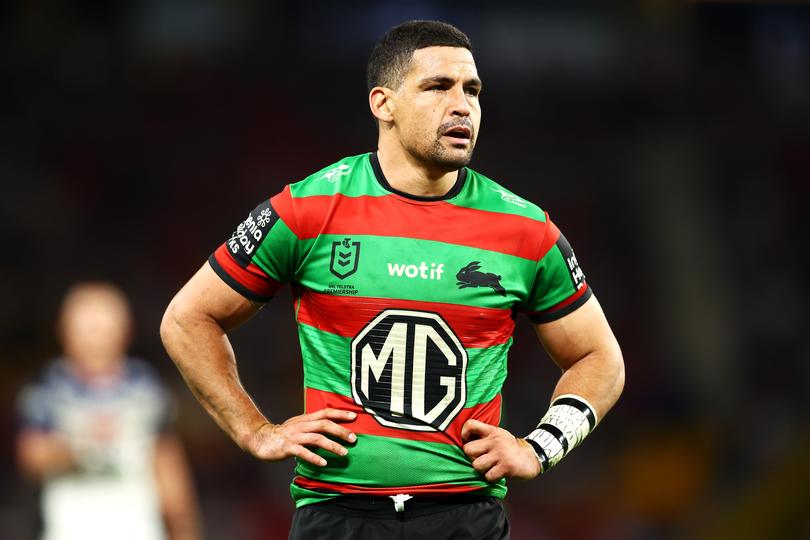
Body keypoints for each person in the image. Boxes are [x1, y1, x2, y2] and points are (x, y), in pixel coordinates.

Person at [161, 20, 624, 539]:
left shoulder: (525, 230)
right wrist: (256, 432)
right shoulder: (307, 209)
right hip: (336, 515)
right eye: (437, 87)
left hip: (463, 516)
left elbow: (601, 358)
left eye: (472, 90)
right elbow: (187, 319)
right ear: (383, 103)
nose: (463, 105)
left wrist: (540, 447)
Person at [17, 283, 203, 540]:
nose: (95, 338)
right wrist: (79, 445)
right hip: (70, 529)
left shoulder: (145, 387)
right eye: (86, 328)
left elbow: (167, 465)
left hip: (138, 528)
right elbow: (31, 456)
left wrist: (184, 529)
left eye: (103, 328)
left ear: (125, 330)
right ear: (64, 331)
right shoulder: (48, 388)